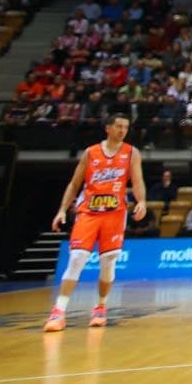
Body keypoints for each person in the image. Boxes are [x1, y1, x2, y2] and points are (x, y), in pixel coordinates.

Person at [45, 111, 147, 332]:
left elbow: (137, 181)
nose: (122, 131)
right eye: (118, 126)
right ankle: (58, 311)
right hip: (89, 211)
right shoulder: (91, 153)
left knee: (108, 262)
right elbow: (74, 184)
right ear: (108, 128)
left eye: (125, 127)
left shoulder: (131, 153)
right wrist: (62, 210)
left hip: (115, 213)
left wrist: (142, 202)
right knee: (77, 259)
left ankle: (100, 307)